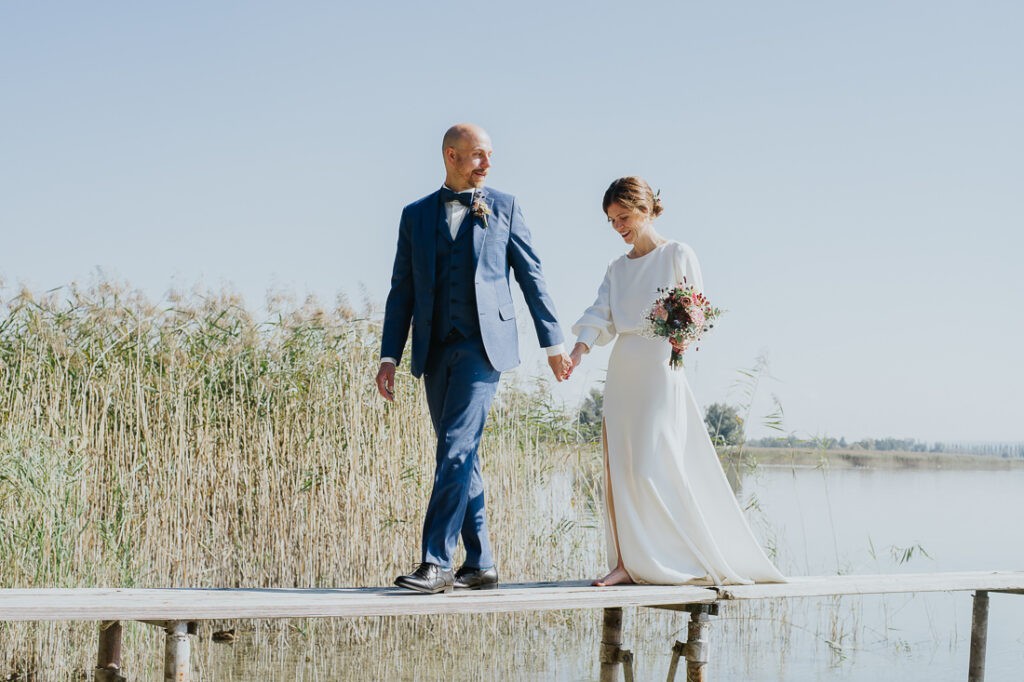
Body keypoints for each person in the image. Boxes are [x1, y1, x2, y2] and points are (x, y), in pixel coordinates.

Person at [377, 123, 572, 594]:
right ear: (451, 155)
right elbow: (401, 289)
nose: (487, 163)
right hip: (432, 348)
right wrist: (389, 356)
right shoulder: (415, 215)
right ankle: (481, 563)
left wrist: (553, 344)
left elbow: (532, 276)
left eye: (489, 155)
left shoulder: (504, 207)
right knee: (464, 456)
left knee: (456, 448)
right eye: (478, 155)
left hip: (484, 347)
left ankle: (436, 561)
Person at [569, 176, 784, 587]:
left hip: (661, 366)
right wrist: (578, 352)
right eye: (611, 221)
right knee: (622, 467)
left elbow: (697, 309)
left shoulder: (678, 254)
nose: (618, 227)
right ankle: (626, 562)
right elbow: (601, 313)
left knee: (654, 460)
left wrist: (681, 336)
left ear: (646, 210)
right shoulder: (617, 269)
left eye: (624, 217)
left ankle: (676, 556)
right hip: (624, 369)